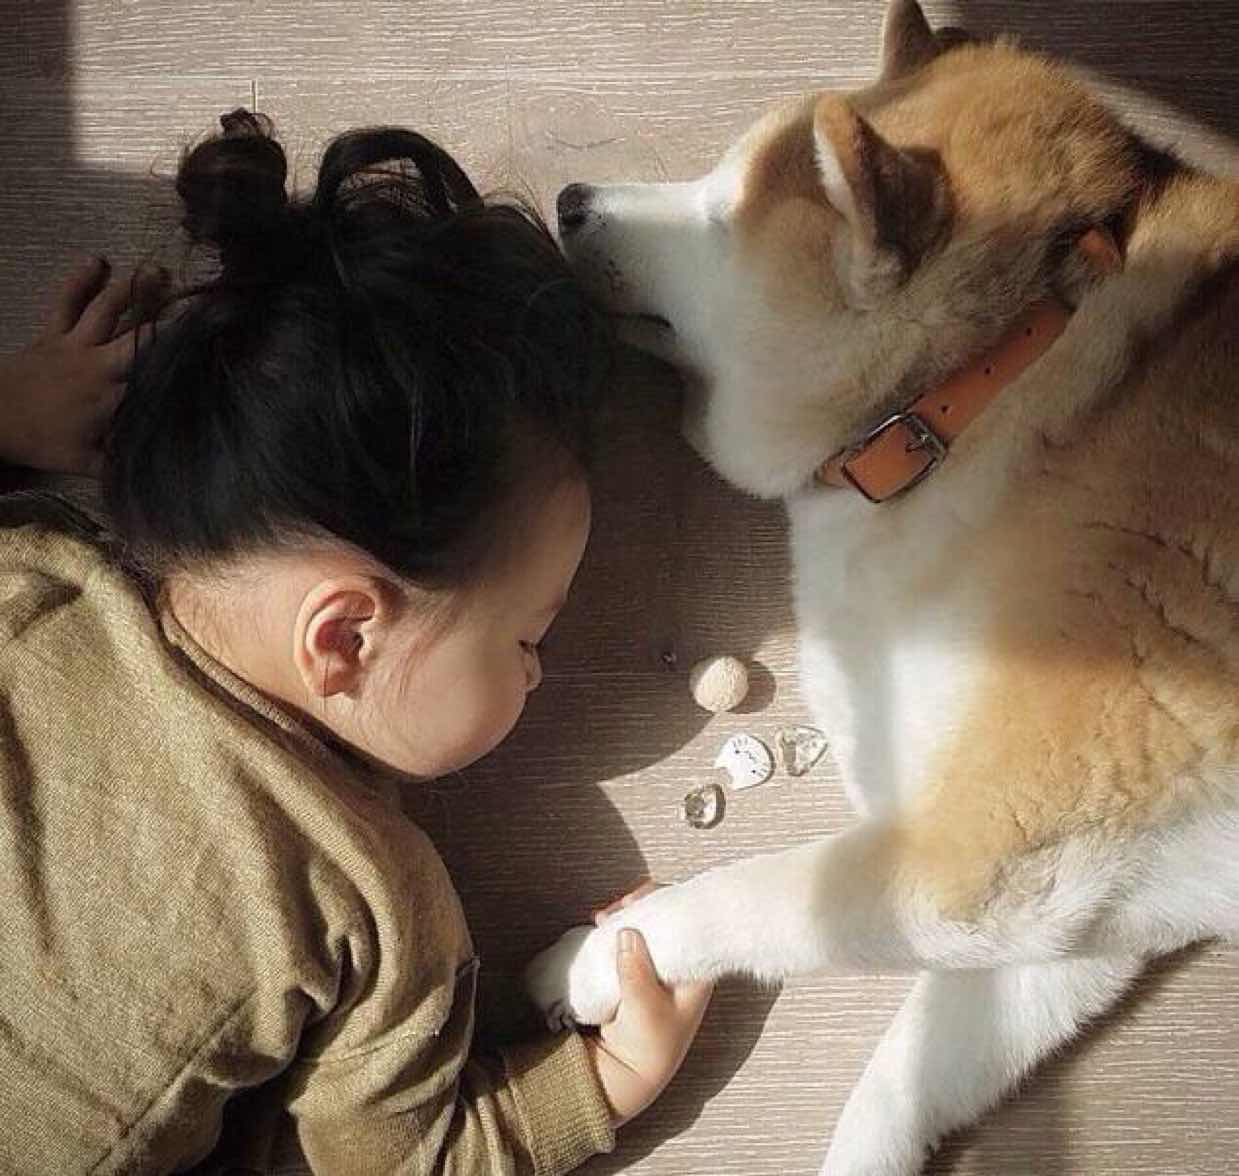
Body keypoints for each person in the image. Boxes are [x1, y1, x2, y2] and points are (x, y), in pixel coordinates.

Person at [0, 110, 711, 1174]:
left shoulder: (38, 582)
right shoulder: (369, 894)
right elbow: (398, 1161)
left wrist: (11, 418)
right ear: (344, 637)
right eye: (527, 636)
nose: (539, 672)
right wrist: (607, 1079)